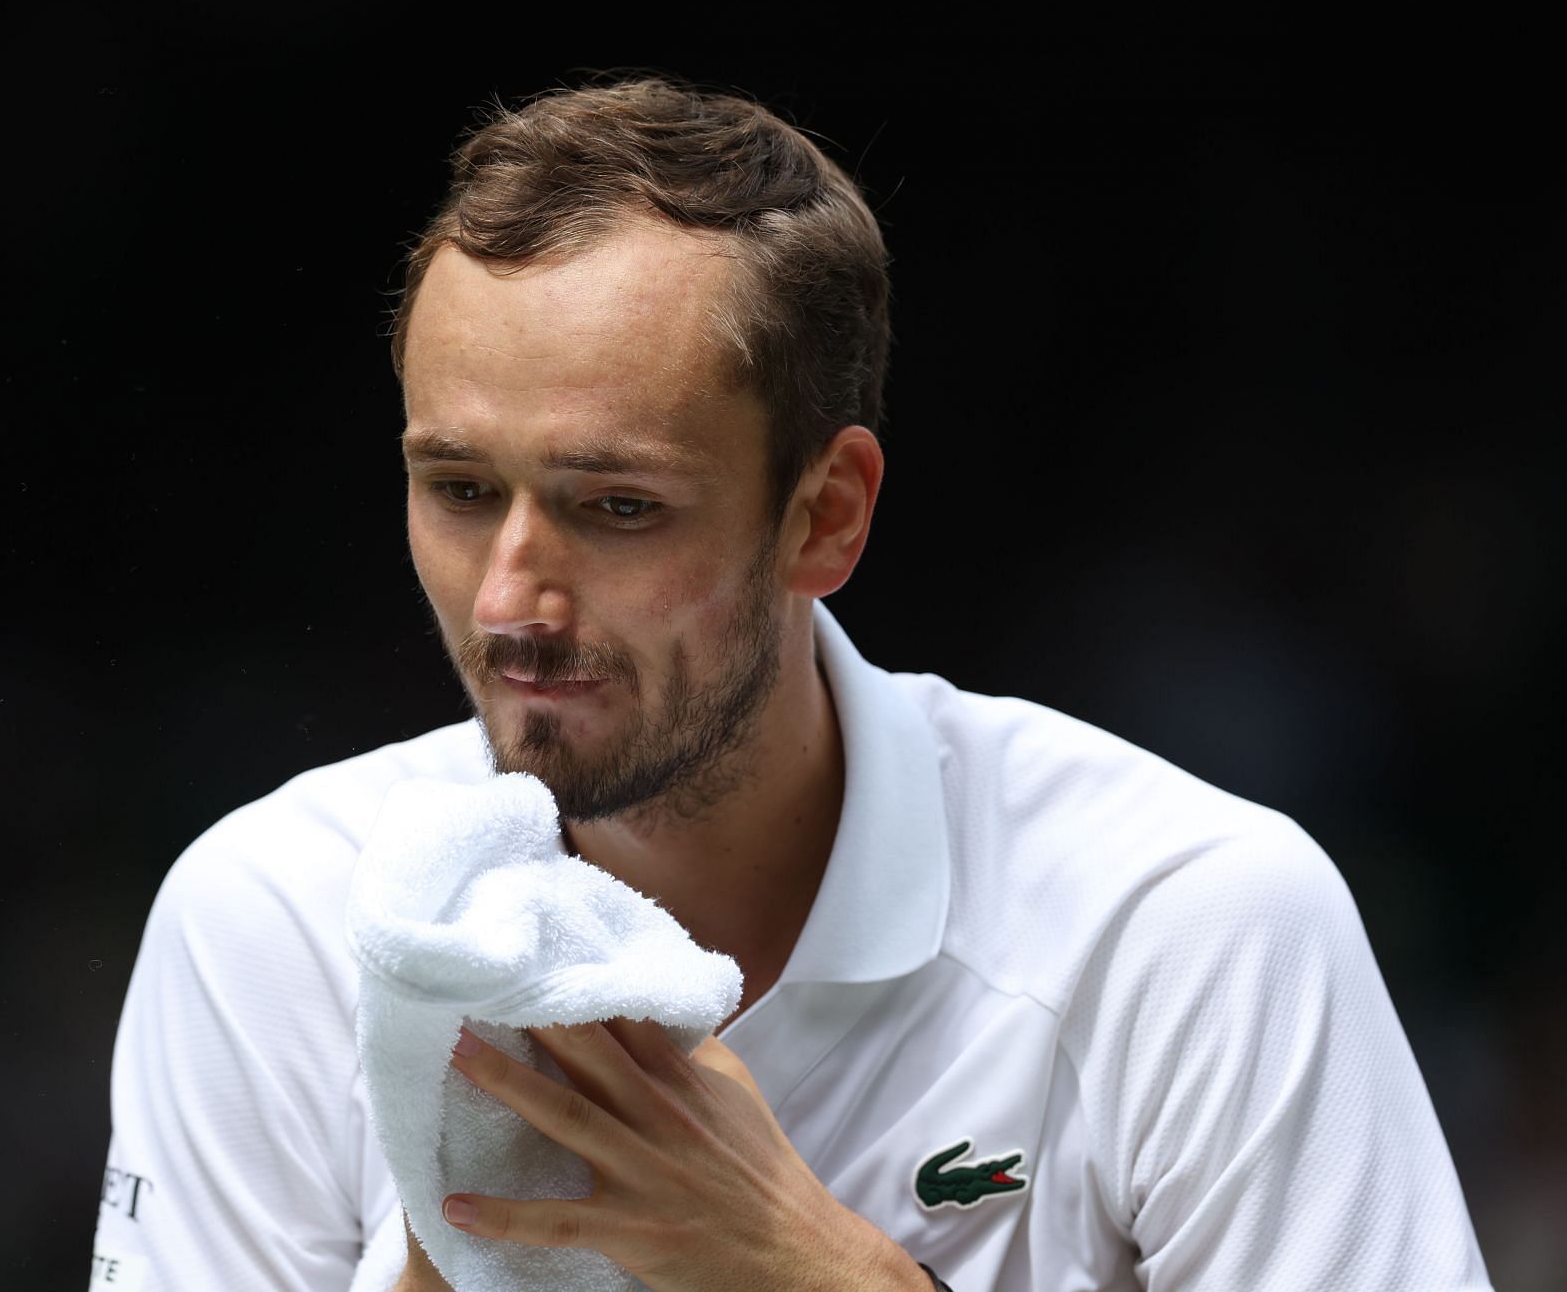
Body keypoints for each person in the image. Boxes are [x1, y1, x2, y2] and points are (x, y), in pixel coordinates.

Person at [93, 77, 1491, 1291]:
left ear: (827, 514)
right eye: (458, 489)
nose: (511, 597)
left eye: (617, 506)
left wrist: (811, 1267)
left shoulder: (1192, 922)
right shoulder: (269, 917)